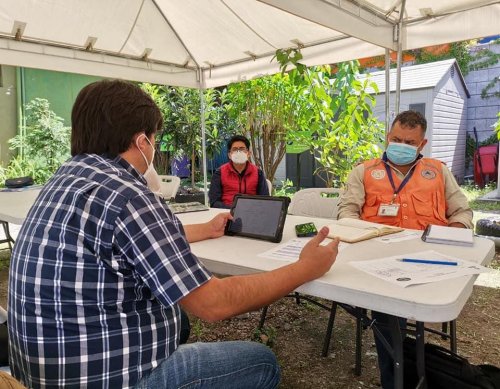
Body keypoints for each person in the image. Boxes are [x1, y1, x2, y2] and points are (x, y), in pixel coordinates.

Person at [8, 79, 340, 389]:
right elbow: (214, 303)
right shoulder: (128, 194)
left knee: (178, 318)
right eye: (155, 139)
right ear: (142, 141)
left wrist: (207, 229)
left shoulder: (65, 179)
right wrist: (305, 268)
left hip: (41, 370)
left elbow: (122, 237)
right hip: (110, 377)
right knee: (263, 362)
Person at [337, 110, 473, 389]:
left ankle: (415, 368)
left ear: (422, 144)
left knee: (403, 313)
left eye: (410, 143)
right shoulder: (363, 171)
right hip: (377, 261)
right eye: (397, 139)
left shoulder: (438, 171)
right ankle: (395, 381)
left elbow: (462, 211)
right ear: (388, 137)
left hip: (430, 260)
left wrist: (455, 232)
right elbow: (347, 212)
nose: (402, 146)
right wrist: (357, 232)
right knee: (388, 312)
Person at [209, 135, 269, 208]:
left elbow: (265, 199)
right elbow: (214, 202)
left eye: (242, 149)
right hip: (227, 214)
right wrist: (234, 210)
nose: (238, 152)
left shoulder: (258, 173)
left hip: (251, 213)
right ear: (229, 155)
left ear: (248, 153)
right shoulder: (219, 173)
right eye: (234, 149)